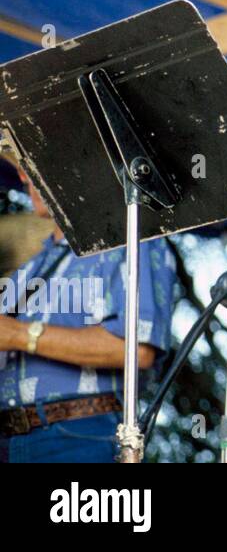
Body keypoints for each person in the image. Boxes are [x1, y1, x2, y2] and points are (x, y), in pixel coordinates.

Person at [0, 150, 178, 462]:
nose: (24, 176)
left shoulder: (130, 238)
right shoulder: (29, 268)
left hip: (77, 435)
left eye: (33, 161)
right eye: (21, 169)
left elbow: (138, 349)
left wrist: (18, 335)